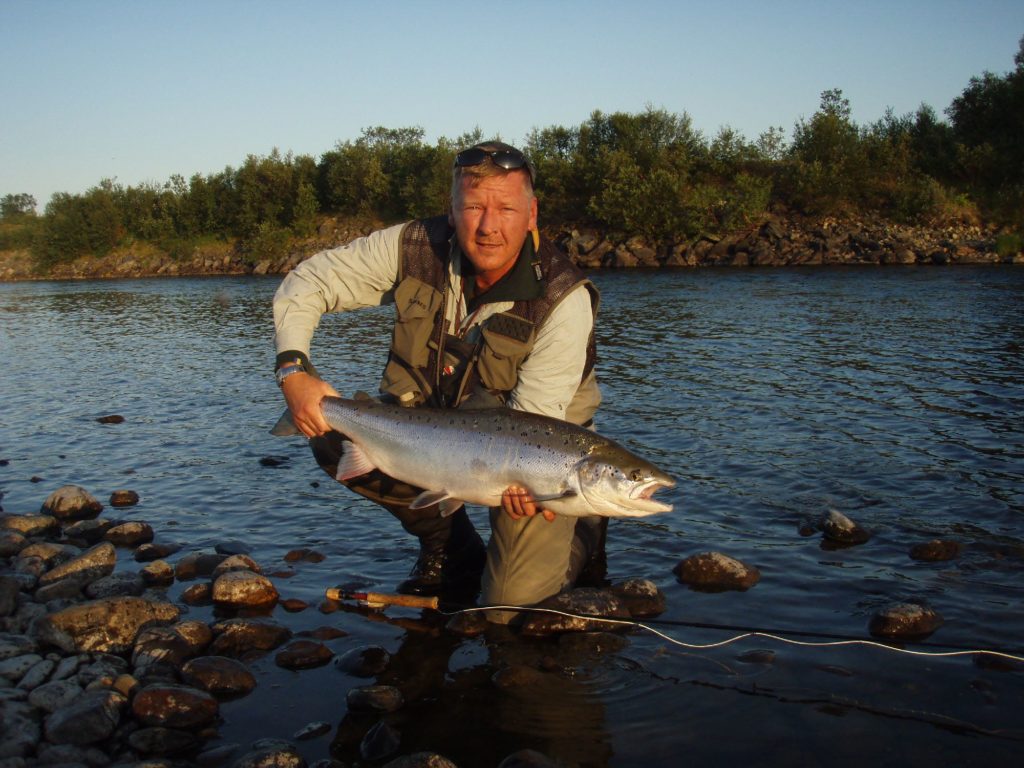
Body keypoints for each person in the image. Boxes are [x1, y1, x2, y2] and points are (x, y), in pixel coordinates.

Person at [272, 141, 604, 621]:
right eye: (473, 206)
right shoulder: (413, 247)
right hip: (438, 420)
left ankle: (587, 528)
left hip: (541, 441)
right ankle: (449, 546)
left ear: (531, 215)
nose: (488, 226)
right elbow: (308, 282)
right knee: (328, 433)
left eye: (506, 209)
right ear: (452, 211)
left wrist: (539, 487)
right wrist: (294, 371)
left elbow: (531, 426)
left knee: (505, 611)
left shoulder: (563, 299)